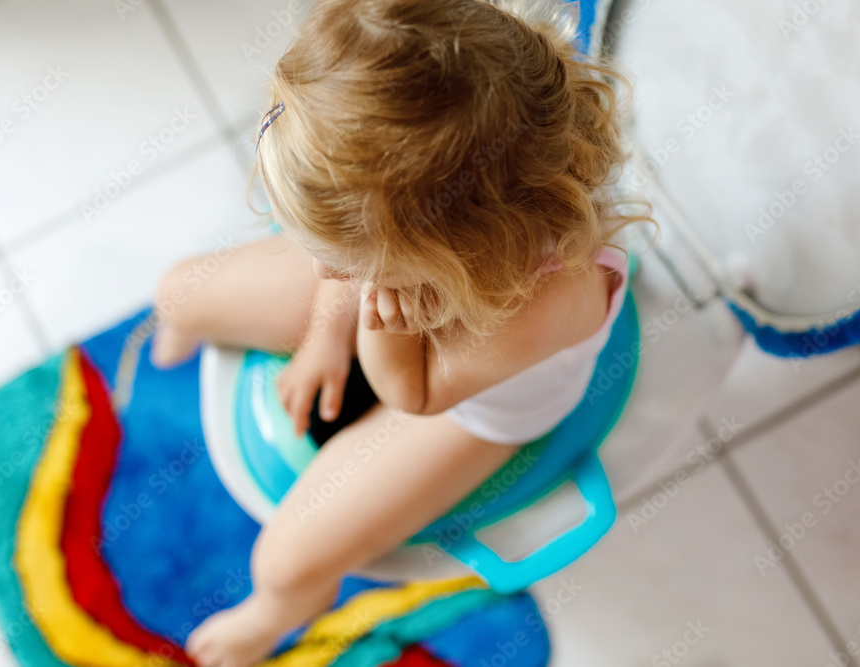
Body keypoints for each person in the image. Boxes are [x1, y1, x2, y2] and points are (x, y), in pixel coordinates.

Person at [150, 1, 650, 664]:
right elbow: (341, 271)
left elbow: (411, 390)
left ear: (438, 257)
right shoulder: (435, 178)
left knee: (288, 557)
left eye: (341, 256)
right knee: (178, 290)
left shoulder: (550, 302)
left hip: (470, 408)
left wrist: (375, 323)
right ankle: (187, 325)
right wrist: (333, 321)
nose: (320, 266)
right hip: (399, 282)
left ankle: (269, 616)